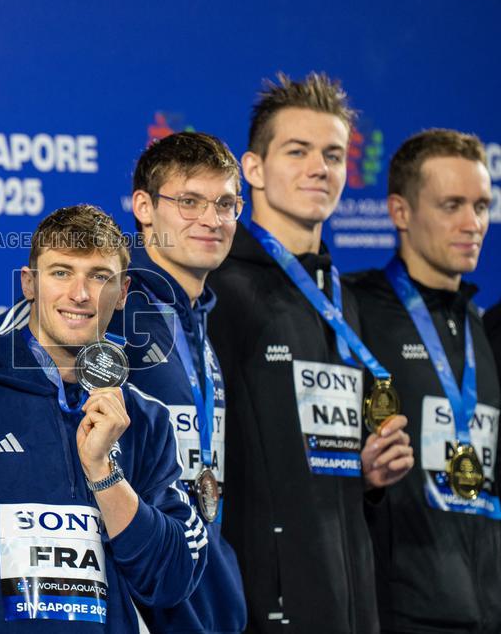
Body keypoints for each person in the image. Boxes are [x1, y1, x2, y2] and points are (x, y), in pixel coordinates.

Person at [0, 204, 207, 633]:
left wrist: (104, 473)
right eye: (61, 272)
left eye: (99, 276)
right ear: (29, 284)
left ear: (122, 293)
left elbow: (173, 578)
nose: (80, 294)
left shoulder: (144, 418)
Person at [206, 73, 413, 633]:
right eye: (297, 152)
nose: (319, 168)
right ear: (253, 170)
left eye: (333, 154)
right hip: (259, 605)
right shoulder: (218, 286)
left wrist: (367, 478)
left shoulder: (342, 295)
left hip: (350, 605)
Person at [346, 129, 501, 632]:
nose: (472, 223)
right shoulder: (356, 309)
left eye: (481, 205)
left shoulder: (483, 327)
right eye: (451, 205)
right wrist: (364, 481)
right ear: (400, 212)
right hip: (400, 613)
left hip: (486, 612)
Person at [123, 131, 246, 632]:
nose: (212, 220)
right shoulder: (111, 308)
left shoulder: (197, 321)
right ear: (144, 207)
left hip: (207, 601)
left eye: (226, 204)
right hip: (142, 602)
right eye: (189, 201)